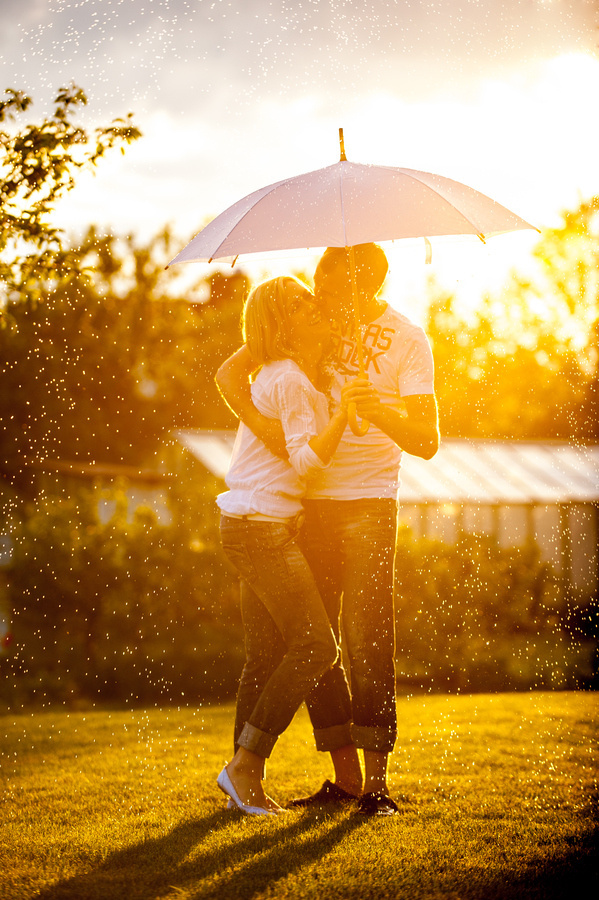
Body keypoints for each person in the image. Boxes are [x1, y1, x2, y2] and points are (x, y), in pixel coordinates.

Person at [216, 243, 439, 816]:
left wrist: (375, 409)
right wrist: (267, 431)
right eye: (318, 283)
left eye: (331, 283)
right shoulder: (304, 328)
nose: (320, 294)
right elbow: (229, 374)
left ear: (365, 284)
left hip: (367, 503)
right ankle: (342, 779)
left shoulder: (408, 338)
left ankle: (377, 786)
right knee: (314, 644)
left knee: (366, 639)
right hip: (305, 506)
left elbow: (427, 440)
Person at [215, 275, 358, 816]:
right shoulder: (290, 379)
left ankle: (240, 781)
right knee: (317, 647)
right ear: (283, 322)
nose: (314, 303)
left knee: (264, 656)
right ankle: (245, 767)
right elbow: (304, 462)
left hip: (251, 524)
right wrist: (342, 417)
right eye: (300, 301)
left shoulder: (294, 377)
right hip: (261, 527)